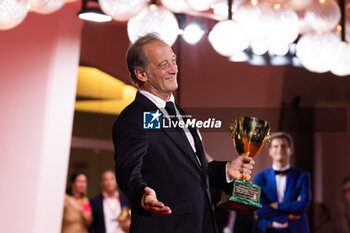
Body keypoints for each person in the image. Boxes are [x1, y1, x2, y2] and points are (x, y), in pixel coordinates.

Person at [112, 33, 255, 233]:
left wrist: (226, 170)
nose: (173, 69)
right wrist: (143, 196)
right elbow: (128, 172)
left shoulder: (180, 113)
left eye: (174, 60)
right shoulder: (134, 118)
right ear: (141, 74)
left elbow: (192, 170)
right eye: (163, 64)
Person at [253, 132, 311, 233]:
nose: (280, 149)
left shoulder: (302, 176)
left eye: (283, 146)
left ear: (291, 150)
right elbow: (258, 207)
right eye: (275, 146)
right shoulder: (260, 177)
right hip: (267, 229)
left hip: (296, 229)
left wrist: (276, 205)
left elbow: (303, 205)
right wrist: (286, 216)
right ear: (270, 151)